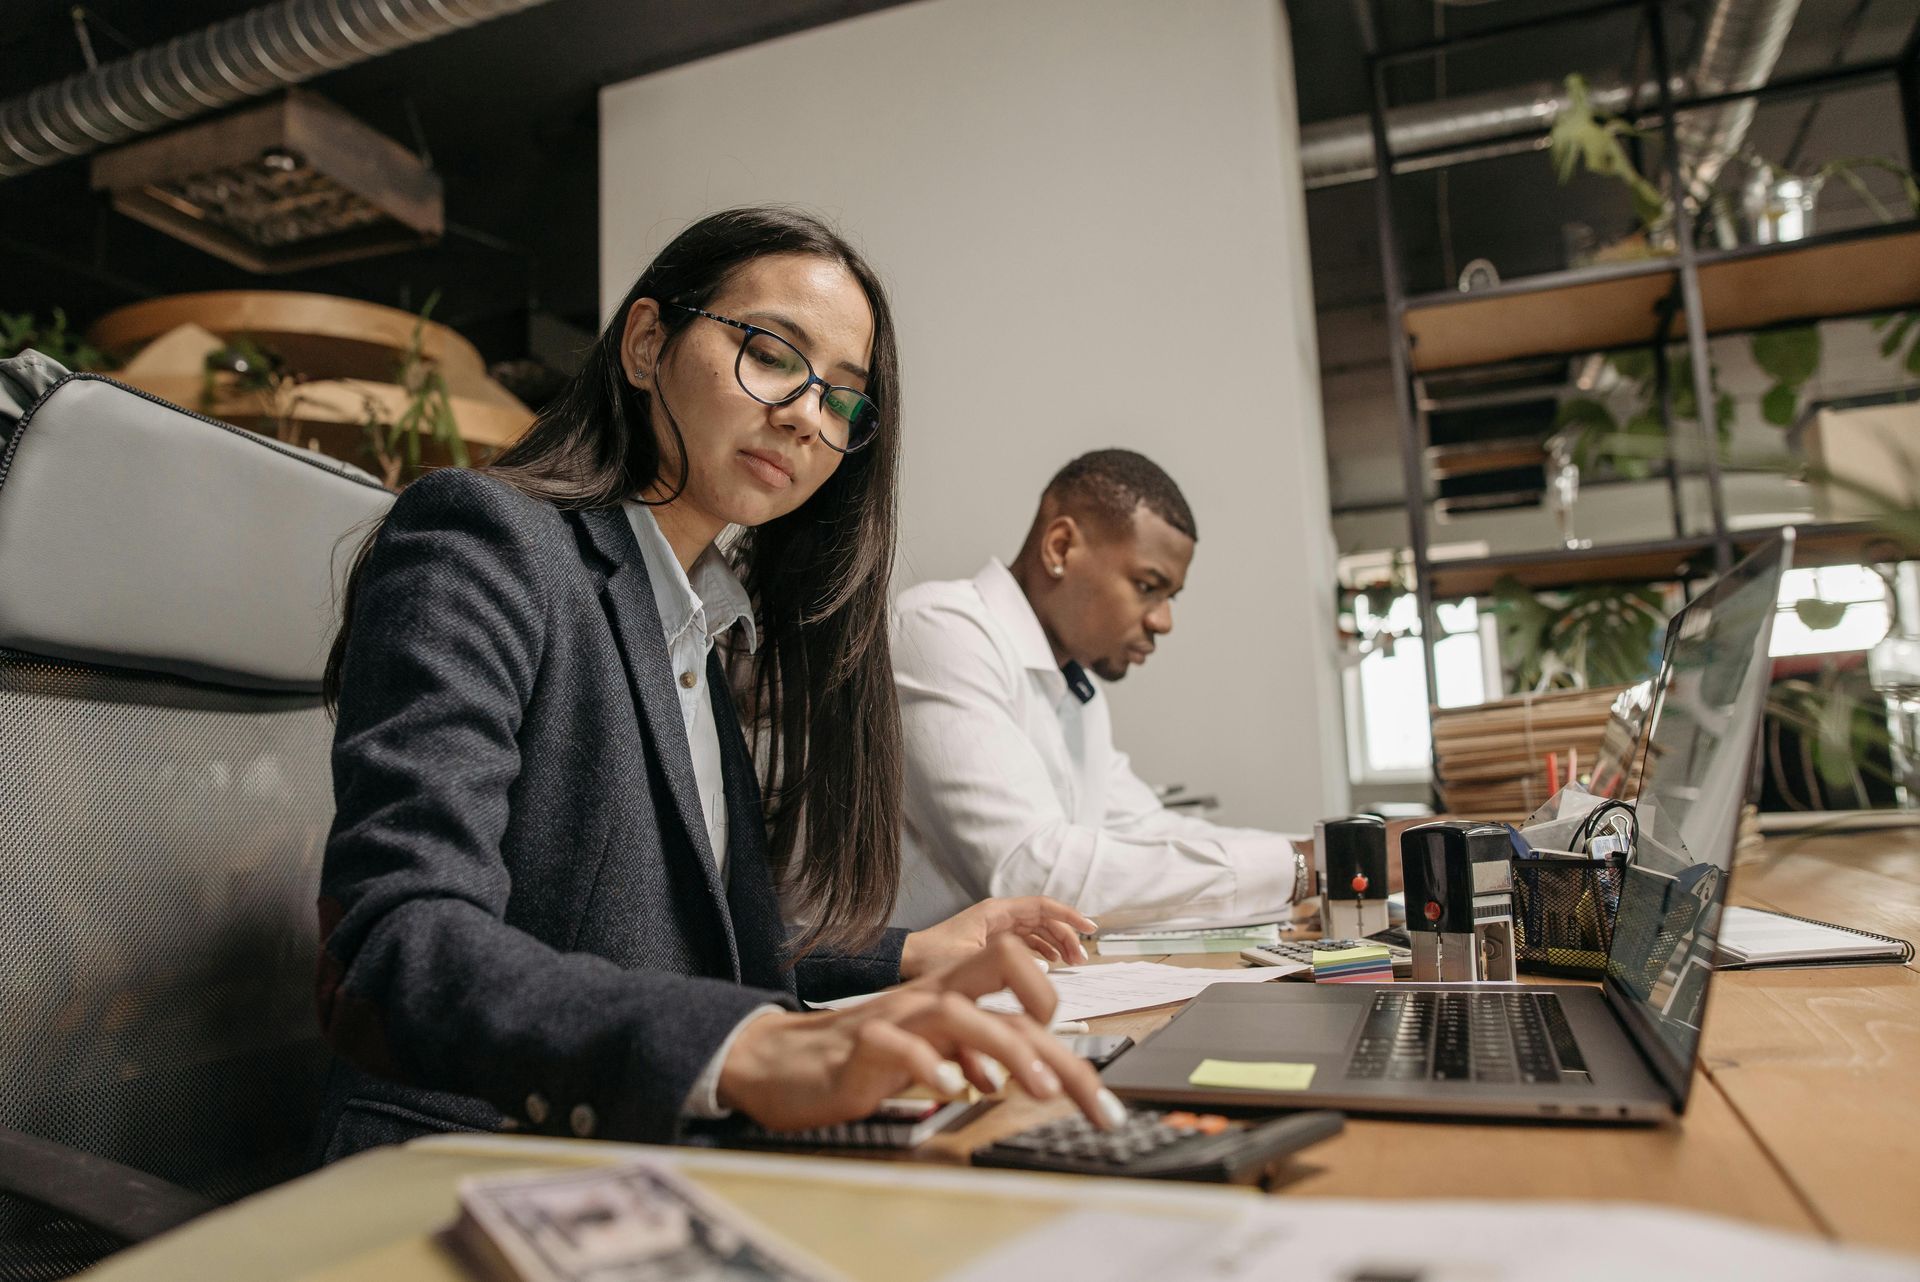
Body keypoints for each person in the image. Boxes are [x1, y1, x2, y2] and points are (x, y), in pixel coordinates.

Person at [312, 207, 1122, 1163]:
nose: (806, 416)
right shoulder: (484, 544)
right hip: (475, 1156)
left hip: (651, 1149)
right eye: (774, 353)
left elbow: (670, 941)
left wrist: (909, 954)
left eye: (843, 398)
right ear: (649, 342)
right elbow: (401, 942)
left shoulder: (706, 620)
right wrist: (746, 1046)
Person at [890, 449, 1310, 932]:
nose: (1163, 621)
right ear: (1061, 547)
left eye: (1169, 596)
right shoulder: (942, 629)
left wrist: (1328, 852)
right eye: (1148, 586)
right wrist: (1302, 865)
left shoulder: (1075, 688)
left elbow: (1150, 831)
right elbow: (1030, 874)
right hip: (877, 996)